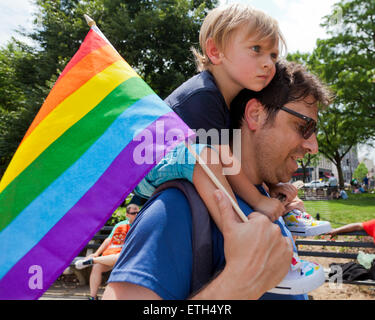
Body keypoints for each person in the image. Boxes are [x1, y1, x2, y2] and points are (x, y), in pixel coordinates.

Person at [102, 60, 333, 300]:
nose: (313, 146)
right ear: (255, 115)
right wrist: (234, 286)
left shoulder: (264, 199)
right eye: (304, 126)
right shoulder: (178, 207)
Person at [134, 3, 295, 236]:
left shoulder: (232, 98)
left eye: (273, 55)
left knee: (214, 154)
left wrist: (271, 185)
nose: (268, 63)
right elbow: (225, 161)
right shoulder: (204, 94)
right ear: (215, 52)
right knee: (207, 156)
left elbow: (237, 156)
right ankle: (238, 233)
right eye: (256, 49)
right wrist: (259, 200)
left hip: (186, 159)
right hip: (148, 162)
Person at [75, 204, 140, 300]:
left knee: (120, 256)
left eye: (138, 212)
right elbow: (108, 240)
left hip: (128, 258)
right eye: (133, 213)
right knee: (97, 268)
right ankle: (93, 297)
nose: (136, 214)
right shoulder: (120, 225)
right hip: (112, 256)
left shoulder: (141, 225)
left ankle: (93, 260)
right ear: (127, 215)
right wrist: (96, 253)